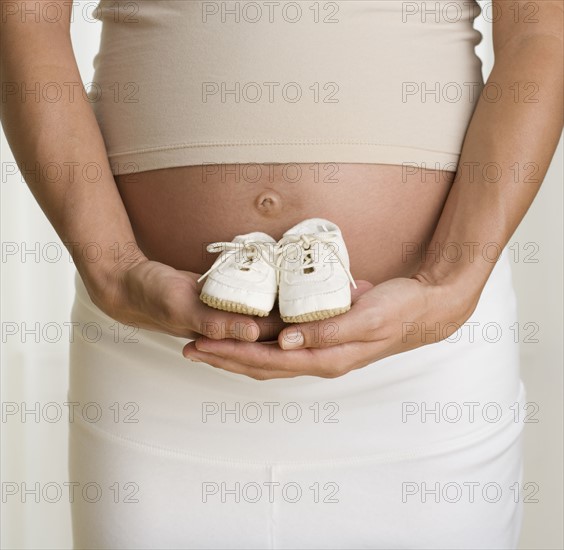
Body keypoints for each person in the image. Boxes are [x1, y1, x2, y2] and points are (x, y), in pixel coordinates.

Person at [2, 0, 562, 548]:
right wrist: (111, 269)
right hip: (153, 357)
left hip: (421, 366)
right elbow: (27, 19)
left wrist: (450, 284)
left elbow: (540, 28)